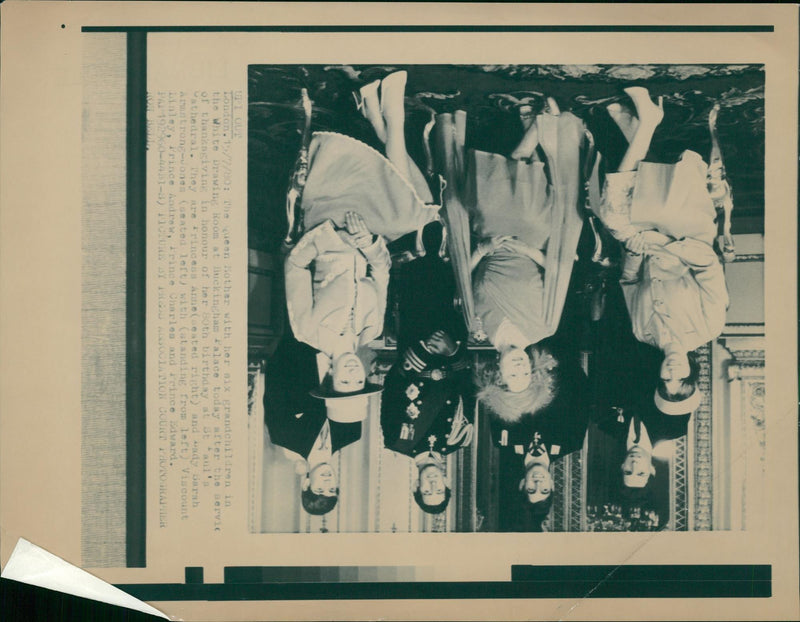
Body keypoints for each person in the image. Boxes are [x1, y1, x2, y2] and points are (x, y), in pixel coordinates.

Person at [284, 70, 441, 398]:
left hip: (327, 224)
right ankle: (379, 113)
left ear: (330, 377)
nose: (354, 375)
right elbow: (381, 272)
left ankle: (385, 113)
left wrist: (337, 236)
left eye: (344, 382)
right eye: (359, 382)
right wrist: (367, 243)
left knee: (414, 207)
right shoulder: (371, 331)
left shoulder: (308, 332)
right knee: (420, 211)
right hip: (369, 233)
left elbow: (294, 265)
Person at [434, 99, 592, 422]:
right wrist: (524, 250)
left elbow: (463, 273)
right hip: (531, 238)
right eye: (526, 375)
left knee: (470, 201)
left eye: (513, 378)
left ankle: (534, 127)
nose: (519, 370)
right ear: (533, 370)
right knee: (524, 208)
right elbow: (558, 269)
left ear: (498, 377)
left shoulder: (476, 329)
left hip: (490, 237)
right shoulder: (544, 327)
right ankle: (539, 124)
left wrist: (484, 249)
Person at [591, 86, 729, 415]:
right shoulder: (709, 326)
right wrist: (667, 244)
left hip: (645, 243)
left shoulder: (643, 334)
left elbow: (627, 282)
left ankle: (639, 126)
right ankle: (645, 123)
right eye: (680, 379)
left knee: (615, 216)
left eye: (665, 381)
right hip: (686, 237)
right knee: (638, 207)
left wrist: (636, 251)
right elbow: (709, 266)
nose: (671, 373)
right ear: (692, 373)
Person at [380, 222, 474, 515]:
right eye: (438, 489)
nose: (432, 484)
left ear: (416, 486)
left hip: (415, 343)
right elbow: (469, 388)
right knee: (448, 283)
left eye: (426, 490)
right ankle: (444, 231)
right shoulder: (459, 439)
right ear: (447, 481)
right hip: (450, 343)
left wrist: (420, 353)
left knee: (417, 281)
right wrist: (453, 351)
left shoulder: (397, 441)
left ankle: (417, 226)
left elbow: (393, 384)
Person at [263, 334, 367, 516]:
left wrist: (298, 339)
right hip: (344, 341)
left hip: (301, 337)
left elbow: (274, 378)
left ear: (306, 484)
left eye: (320, 489)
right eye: (332, 489)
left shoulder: (283, 435)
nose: (328, 482)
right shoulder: (351, 433)